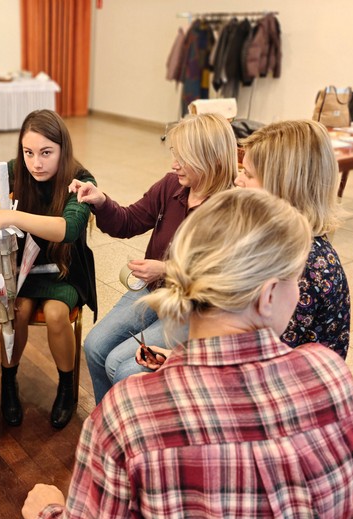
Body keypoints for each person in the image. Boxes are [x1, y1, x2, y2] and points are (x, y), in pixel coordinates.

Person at [9, 189, 353, 519]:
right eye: (296, 279)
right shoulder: (329, 373)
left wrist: (52, 513)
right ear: (268, 295)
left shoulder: (131, 411)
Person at [69, 112, 238, 404]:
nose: (174, 164)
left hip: (193, 309)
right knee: (94, 346)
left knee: (122, 368)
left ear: (213, 160)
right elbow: (128, 222)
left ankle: (129, 422)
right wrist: (101, 200)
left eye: (184, 158)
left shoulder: (232, 208)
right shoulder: (172, 186)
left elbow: (223, 278)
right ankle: (107, 419)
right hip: (155, 291)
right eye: (175, 154)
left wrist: (167, 269)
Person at [0, 109, 97, 429]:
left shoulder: (81, 180)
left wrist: (12, 216)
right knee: (16, 313)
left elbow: (68, 229)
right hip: (20, 268)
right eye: (28, 152)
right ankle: (9, 382)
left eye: (46, 153)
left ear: (63, 149)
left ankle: (66, 388)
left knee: (57, 314)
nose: (36, 163)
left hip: (63, 269)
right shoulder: (15, 170)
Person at [235, 119, 351, 358]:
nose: (238, 180)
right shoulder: (276, 238)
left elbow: (265, 357)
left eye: (248, 174)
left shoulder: (305, 267)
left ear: (282, 188)